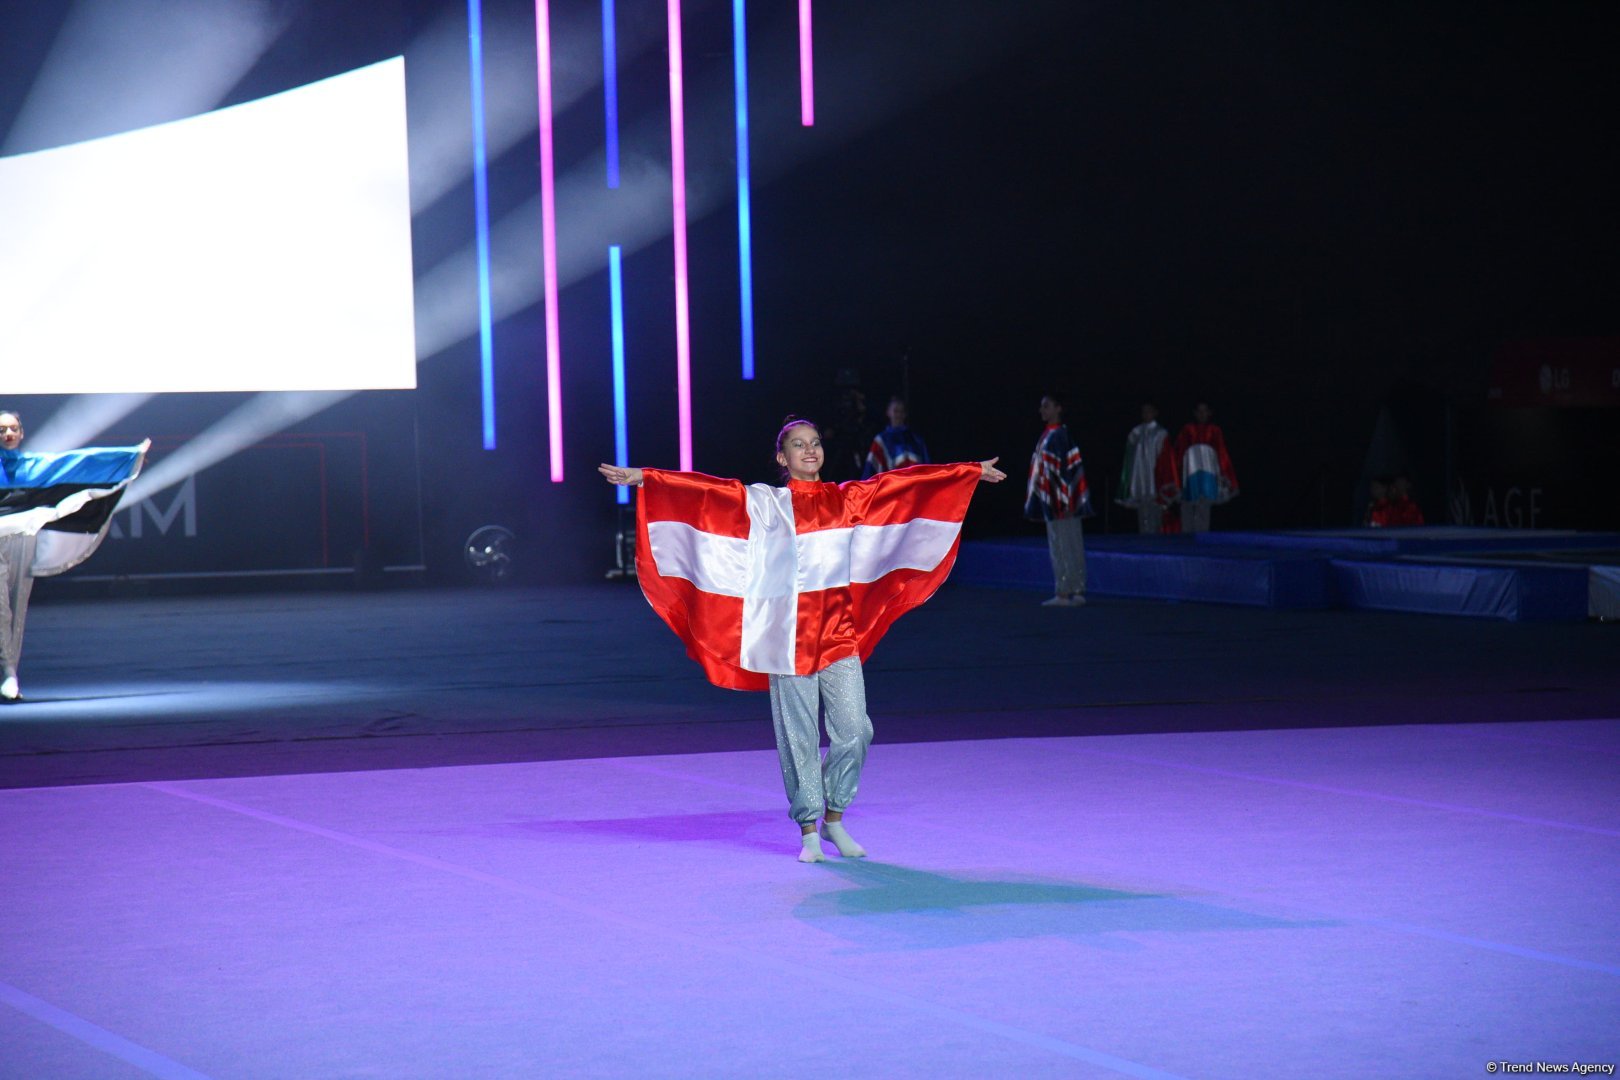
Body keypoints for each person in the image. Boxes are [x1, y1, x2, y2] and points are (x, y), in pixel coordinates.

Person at [600, 417, 1005, 863]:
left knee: (855, 731)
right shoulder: (767, 504)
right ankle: (810, 829)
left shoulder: (846, 499)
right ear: (782, 457)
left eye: (814, 443)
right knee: (799, 737)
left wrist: (964, 472)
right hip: (786, 639)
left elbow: (901, 485)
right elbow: (709, 491)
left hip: (838, 635)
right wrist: (648, 478)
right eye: (798, 445)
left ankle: (834, 817)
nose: (809, 450)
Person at [0, 410, 149, 702]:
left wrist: (130, 455)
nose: (7, 434)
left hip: (22, 538)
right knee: (0, 607)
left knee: (16, 604)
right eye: (1, 429)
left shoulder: (36, 466)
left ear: (21, 433)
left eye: (12, 429)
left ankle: (9, 672)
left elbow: (82, 461)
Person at [1025, 393, 1092, 607]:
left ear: (1058, 408)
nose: (1042, 410)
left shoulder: (1061, 436)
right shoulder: (1047, 435)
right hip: (1052, 502)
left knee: (1068, 543)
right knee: (1061, 544)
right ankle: (1067, 590)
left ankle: (1072, 590)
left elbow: (1071, 470)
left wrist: (1070, 501)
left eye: (1046, 406)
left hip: (1063, 503)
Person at [1165, 401, 1238, 534]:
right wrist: (1175, 475)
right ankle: (1185, 539)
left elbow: (1221, 452)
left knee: (1204, 506)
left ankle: (1201, 539)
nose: (1202, 414)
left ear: (1209, 413)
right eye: (1199, 411)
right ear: (1195, 413)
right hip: (1189, 475)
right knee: (1186, 504)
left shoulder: (1215, 430)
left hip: (1207, 477)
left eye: (1205, 411)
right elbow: (1179, 452)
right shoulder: (1187, 429)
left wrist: (1224, 473)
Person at [1117, 403, 1171, 534]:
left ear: (1155, 412)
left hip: (1155, 477)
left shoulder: (1161, 433)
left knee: (1156, 508)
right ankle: (1144, 537)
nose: (1146, 414)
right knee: (1142, 510)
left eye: (1149, 411)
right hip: (1139, 476)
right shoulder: (1136, 432)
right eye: (1144, 411)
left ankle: (1157, 536)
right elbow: (1129, 457)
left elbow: (1165, 458)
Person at [861, 396, 930, 478]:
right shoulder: (881, 441)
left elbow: (926, 468)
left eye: (902, 411)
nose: (899, 415)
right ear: (888, 412)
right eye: (895, 411)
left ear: (905, 414)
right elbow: (870, 470)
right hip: (892, 487)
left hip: (914, 487)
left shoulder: (916, 439)